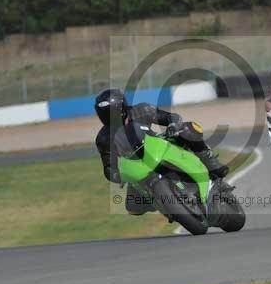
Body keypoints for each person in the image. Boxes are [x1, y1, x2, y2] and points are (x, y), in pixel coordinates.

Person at [95, 88, 230, 215]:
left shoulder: (141, 110)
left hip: (159, 146)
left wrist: (173, 126)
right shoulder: (103, 138)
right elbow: (108, 167)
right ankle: (164, 203)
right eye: (104, 113)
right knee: (133, 208)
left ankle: (210, 160)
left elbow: (172, 117)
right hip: (137, 166)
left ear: (121, 106)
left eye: (110, 111)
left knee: (188, 129)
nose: (108, 116)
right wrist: (118, 176)